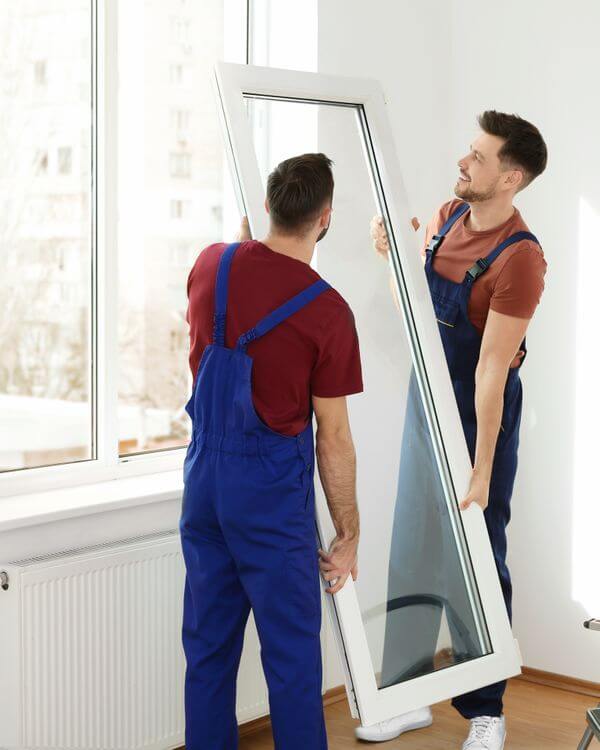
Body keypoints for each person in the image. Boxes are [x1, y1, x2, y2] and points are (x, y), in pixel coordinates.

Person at [361, 110, 548, 750]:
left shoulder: (521, 260)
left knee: (476, 553)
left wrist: (483, 468)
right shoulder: (445, 217)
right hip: (428, 396)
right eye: (469, 151)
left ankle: (486, 709)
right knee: (413, 543)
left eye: (479, 156)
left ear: (511, 176)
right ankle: (408, 693)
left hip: (478, 411)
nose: (464, 162)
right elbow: (413, 314)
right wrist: (393, 258)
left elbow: (492, 371)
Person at [179, 152, 363, 750]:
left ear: (266, 206)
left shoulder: (213, 263)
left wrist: (244, 247)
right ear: (326, 218)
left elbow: (234, 298)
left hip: (204, 483)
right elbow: (332, 439)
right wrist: (348, 531)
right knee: (291, 661)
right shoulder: (329, 312)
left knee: (207, 651)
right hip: (269, 496)